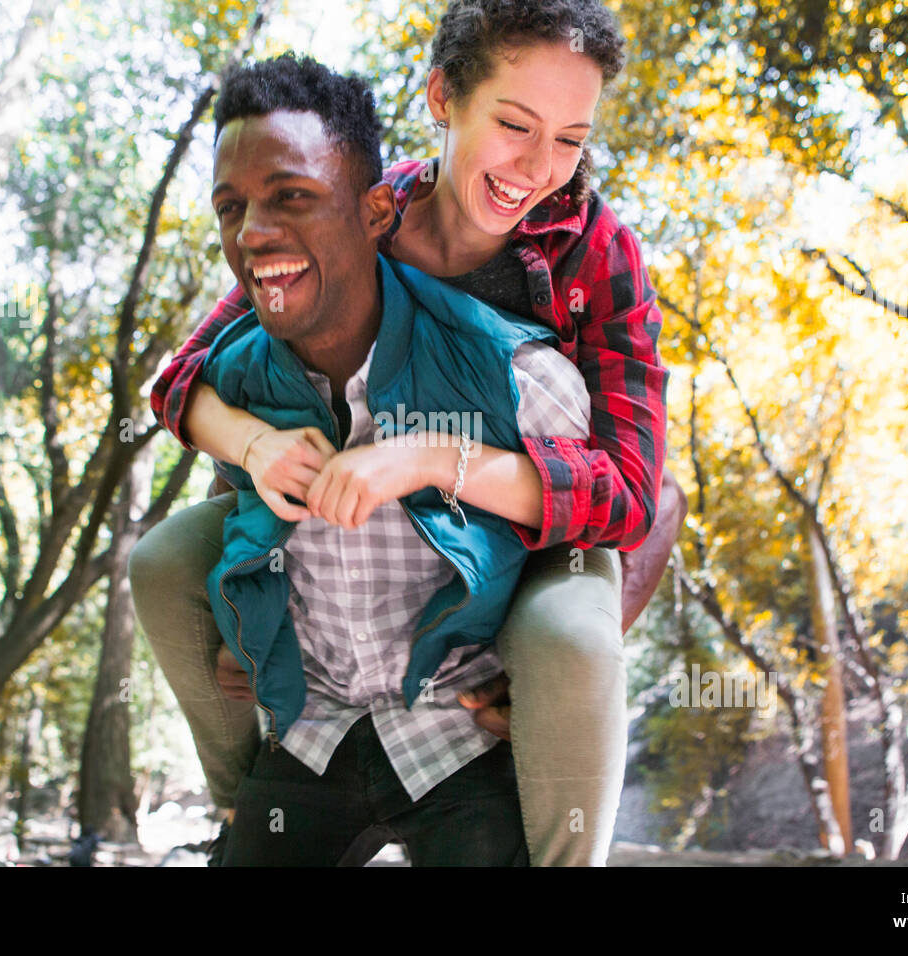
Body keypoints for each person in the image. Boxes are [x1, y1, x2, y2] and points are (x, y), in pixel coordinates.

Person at [131, 0, 686, 866]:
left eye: (571, 139)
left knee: (571, 641)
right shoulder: (359, 210)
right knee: (167, 562)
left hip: (528, 522)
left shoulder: (596, 255)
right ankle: (253, 804)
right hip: (342, 518)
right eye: (513, 125)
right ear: (443, 97)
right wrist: (252, 452)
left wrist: (436, 458)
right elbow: (186, 379)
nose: (538, 167)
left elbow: (630, 493)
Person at [196, 54, 595, 865]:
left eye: (292, 199)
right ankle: (228, 809)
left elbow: (598, 529)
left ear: (376, 212)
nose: (253, 235)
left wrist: (542, 677)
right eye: (231, 208)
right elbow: (226, 487)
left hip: (458, 731)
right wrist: (244, 630)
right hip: (314, 728)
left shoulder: (516, 378)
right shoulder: (237, 379)